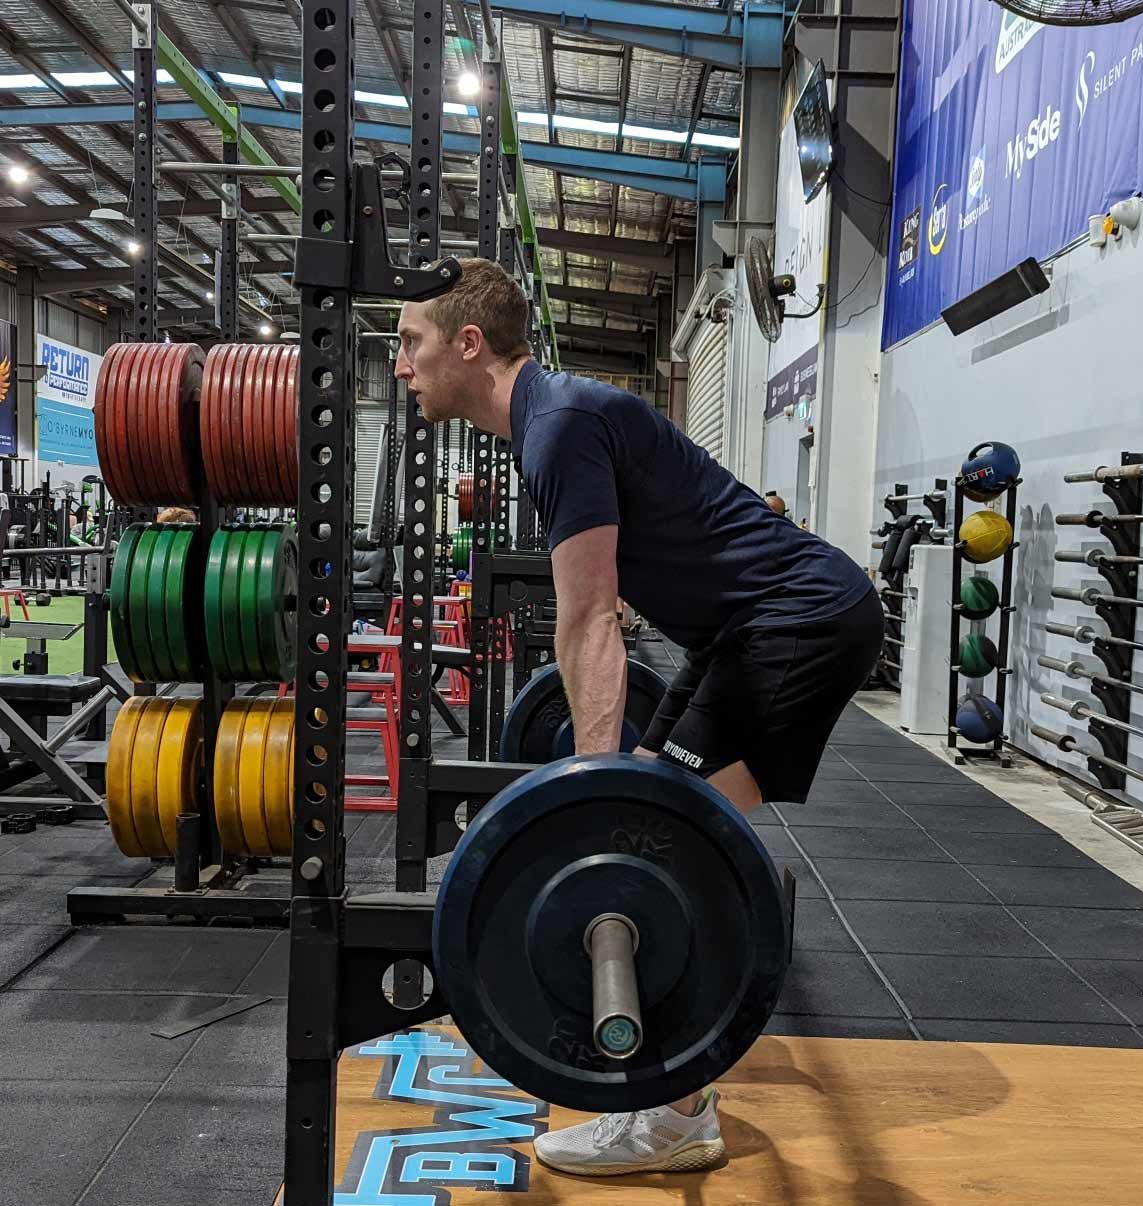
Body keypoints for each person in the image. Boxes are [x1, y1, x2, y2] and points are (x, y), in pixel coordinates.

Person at [394, 259, 882, 1177]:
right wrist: (613, 789)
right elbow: (589, 629)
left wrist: (590, 804)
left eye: (411, 342)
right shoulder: (552, 421)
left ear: (469, 344)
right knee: (658, 811)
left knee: (666, 840)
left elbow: (589, 621)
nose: (399, 365)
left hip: (798, 620)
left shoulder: (561, 425)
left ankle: (676, 1114)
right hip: (743, 630)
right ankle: (675, 1078)